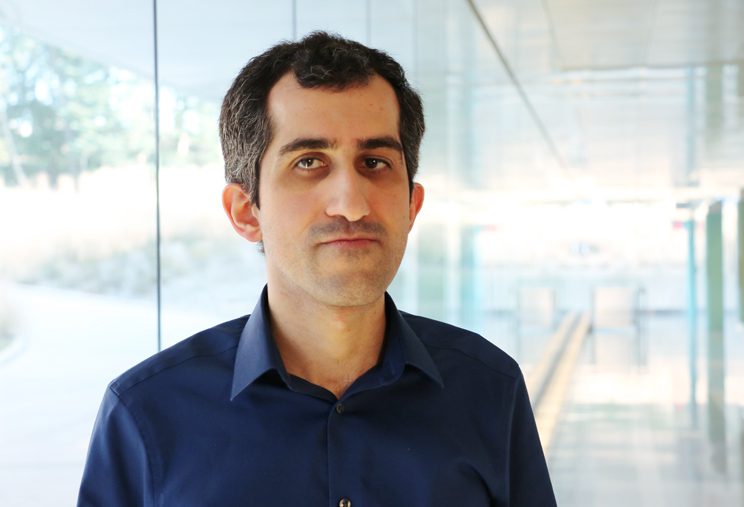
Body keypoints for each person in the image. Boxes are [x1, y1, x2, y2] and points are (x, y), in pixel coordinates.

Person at [78, 31, 556, 506]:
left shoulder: (489, 390)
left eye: (375, 162)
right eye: (309, 162)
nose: (350, 204)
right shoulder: (147, 414)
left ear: (411, 206)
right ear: (246, 212)